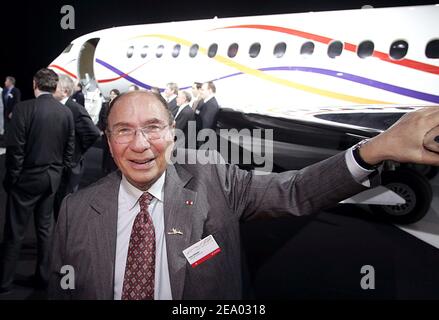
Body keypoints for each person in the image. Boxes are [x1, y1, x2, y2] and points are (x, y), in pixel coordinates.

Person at [48, 91, 439, 300]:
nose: (140, 144)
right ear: (108, 140)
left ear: (172, 134)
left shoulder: (215, 182)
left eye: (153, 127)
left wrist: (375, 149)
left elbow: (296, 190)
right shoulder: (76, 209)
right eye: (124, 130)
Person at [0, 68, 75, 294]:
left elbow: (16, 149)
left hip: (26, 180)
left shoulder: (24, 109)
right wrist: (60, 175)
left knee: (15, 232)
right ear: (54, 86)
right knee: (45, 231)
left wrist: (12, 179)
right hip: (51, 179)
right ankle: (43, 279)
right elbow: (69, 151)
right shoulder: (65, 113)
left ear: (35, 84)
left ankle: (5, 283)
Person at [53, 75, 101, 219]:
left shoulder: (75, 109)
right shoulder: (62, 107)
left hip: (72, 164)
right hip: (62, 163)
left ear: (64, 91)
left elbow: (92, 133)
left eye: (54, 87)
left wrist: (77, 151)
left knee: (66, 202)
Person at [98, 89, 120, 174]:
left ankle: (113, 169)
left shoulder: (119, 106)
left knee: (113, 151)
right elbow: (100, 118)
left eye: (114, 95)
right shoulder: (105, 105)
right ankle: (104, 169)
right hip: (105, 132)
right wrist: (100, 129)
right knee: (105, 150)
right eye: (111, 94)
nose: (112, 96)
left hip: (114, 133)